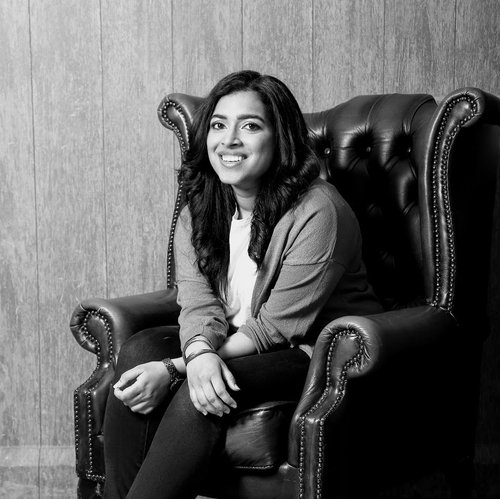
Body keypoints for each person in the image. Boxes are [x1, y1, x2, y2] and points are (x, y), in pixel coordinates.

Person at [103, 70, 381, 498]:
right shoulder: (201, 208)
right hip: (236, 340)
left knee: (202, 391)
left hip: (314, 354)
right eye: (218, 125)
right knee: (139, 352)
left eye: (250, 126)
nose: (229, 140)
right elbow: (196, 302)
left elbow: (274, 329)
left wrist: (180, 367)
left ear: (280, 137)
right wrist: (196, 352)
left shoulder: (320, 210)